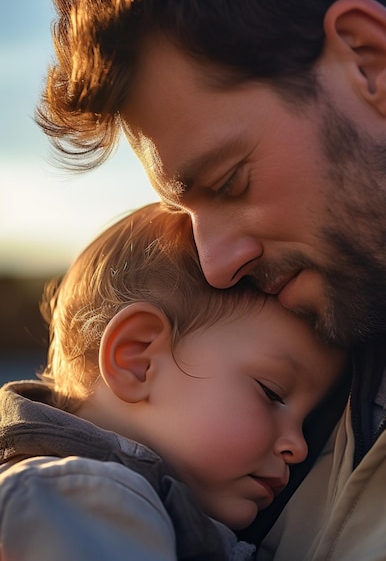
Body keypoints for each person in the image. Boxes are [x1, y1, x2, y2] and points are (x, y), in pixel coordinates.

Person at [36, 0, 386, 559]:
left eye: (230, 181)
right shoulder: (267, 347)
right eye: (187, 210)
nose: (215, 263)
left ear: (369, 60)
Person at [0, 203, 344, 561]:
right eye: (271, 392)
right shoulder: (81, 501)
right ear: (138, 360)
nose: (299, 447)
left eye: (308, 420)